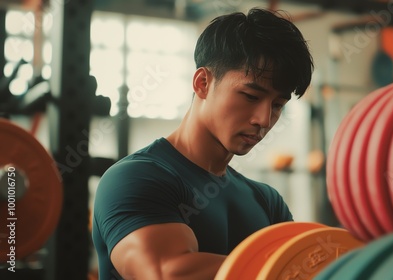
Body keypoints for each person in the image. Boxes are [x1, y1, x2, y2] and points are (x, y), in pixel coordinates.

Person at [92, 7, 314, 279]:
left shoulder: (267, 201)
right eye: (250, 96)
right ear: (202, 83)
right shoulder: (134, 178)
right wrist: (285, 263)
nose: (264, 119)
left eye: (278, 105)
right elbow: (165, 274)